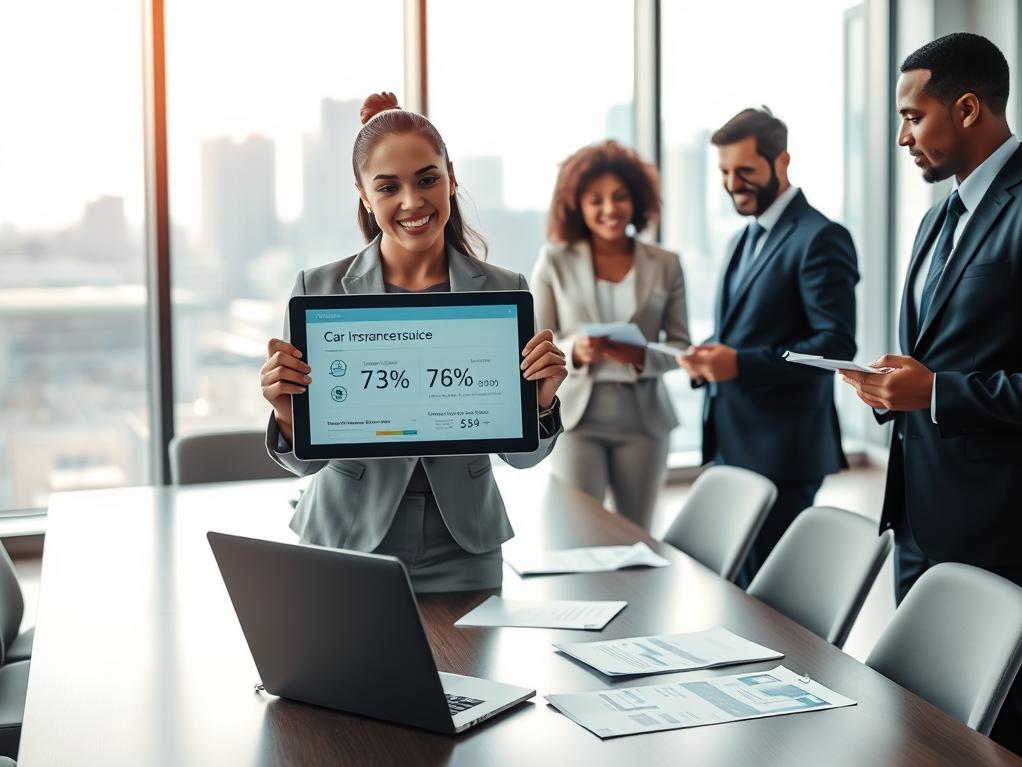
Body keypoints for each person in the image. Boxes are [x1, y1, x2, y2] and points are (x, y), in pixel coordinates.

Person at [838, 34, 1022, 767]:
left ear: (966, 108)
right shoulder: (938, 216)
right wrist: (897, 389)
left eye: (912, 116)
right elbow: (944, 362)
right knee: (928, 725)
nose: (902, 136)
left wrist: (937, 391)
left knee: (1009, 730)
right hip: (921, 517)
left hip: (1005, 529)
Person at [259, 92, 568, 593]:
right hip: (345, 539)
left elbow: (523, 457)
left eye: (427, 179)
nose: (412, 202)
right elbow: (307, 462)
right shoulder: (318, 289)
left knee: (471, 674)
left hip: (464, 546)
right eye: (388, 187)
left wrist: (543, 400)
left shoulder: (505, 290)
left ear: (451, 177)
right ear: (363, 196)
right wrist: (288, 413)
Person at [679, 107, 859, 586]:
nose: (732, 183)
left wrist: (738, 363)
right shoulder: (743, 239)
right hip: (735, 445)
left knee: (777, 600)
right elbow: (744, 332)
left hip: (784, 452)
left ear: (781, 162)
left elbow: (834, 346)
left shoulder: (822, 238)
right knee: (738, 589)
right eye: (723, 172)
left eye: (744, 171)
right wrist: (709, 356)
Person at [532, 141, 690, 530]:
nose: (609, 209)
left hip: (644, 418)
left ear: (636, 201)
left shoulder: (666, 264)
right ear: (577, 206)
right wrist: (577, 350)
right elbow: (537, 343)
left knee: (637, 534)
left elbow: (683, 347)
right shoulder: (555, 261)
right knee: (578, 530)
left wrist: (640, 356)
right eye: (595, 200)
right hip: (577, 419)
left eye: (619, 197)